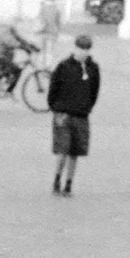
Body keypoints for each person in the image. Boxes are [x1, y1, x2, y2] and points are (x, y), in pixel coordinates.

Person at [46, 32, 99, 196]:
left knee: (75, 152)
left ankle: (68, 184)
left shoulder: (93, 68)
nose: (84, 52)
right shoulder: (63, 66)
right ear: (75, 48)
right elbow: (53, 89)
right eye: (81, 49)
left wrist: (86, 108)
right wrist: (56, 109)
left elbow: (94, 92)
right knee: (62, 151)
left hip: (81, 115)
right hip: (63, 115)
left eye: (86, 49)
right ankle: (57, 180)